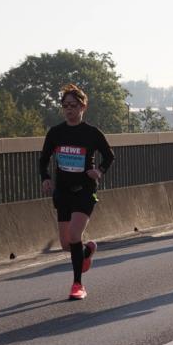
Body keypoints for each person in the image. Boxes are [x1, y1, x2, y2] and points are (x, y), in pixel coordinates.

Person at [39, 83, 115, 301]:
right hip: (62, 191)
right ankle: (86, 252)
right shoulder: (56, 133)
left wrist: (98, 171)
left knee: (74, 235)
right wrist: (45, 178)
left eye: (73, 105)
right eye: (65, 106)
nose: (69, 109)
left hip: (84, 191)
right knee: (66, 244)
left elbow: (109, 156)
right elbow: (43, 159)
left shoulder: (91, 133)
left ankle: (77, 284)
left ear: (83, 107)